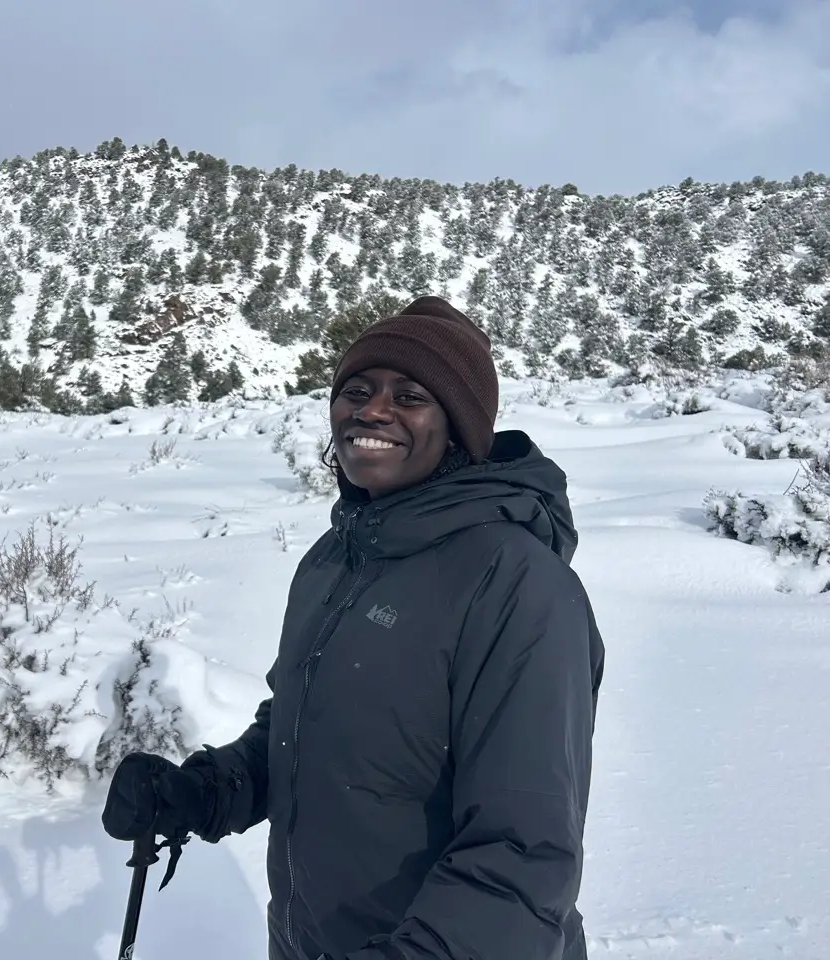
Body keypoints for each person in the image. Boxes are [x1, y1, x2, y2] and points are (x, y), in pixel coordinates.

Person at [102, 295, 605, 960]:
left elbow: (522, 856)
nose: (371, 410)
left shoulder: (515, 582)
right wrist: (204, 793)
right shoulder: (335, 559)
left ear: (460, 428)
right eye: (357, 390)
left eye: (411, 395)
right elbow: (307, 729)